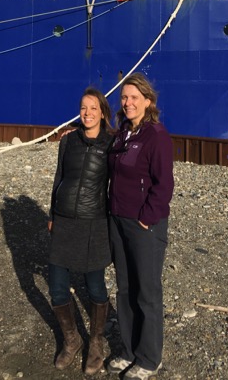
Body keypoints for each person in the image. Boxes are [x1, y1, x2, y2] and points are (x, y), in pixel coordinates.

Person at [107, 73, 174, 379]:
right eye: (124, 97)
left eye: (134, 97)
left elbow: (164, 184)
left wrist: (147, 217)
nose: (128, 102)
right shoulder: (123, 133)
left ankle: (149, 358)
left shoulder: (156, 135)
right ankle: (130, 349)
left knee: (146, 292)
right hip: (119, 220)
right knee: (124, 289)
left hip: (144, 225)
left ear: (148, 101)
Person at [48, 87, 113, 375]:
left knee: (95, 286)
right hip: (64, 221)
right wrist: (52, 214)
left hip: (93, 223)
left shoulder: (112, 144)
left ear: (102, 112)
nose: (87, 113)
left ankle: (96, 343)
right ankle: (72, 340)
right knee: (58, 286)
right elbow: (59, 177)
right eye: (83, 108)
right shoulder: (68, 141)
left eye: (93, 108)